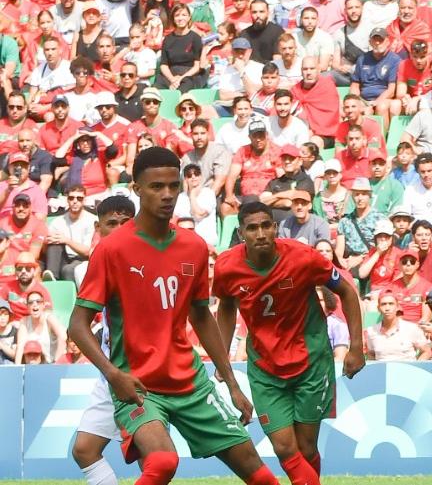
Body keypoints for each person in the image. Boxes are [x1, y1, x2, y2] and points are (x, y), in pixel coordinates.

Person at [66, 147, 278, 485]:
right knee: (162, 462)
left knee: (262, 476)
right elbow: (77, 325)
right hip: (138, 384)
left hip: (191, 382)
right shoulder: (112, 249)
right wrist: (112, 375)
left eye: (172, 186)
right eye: (155, 187)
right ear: (136, 189)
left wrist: (232, 384)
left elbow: (201, 316)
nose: (166, 195)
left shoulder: (193, 246)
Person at [213, 201, 368, 485]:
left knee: (306, 447)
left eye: (265, 226)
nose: (260, 234)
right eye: (252, 228)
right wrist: (221, 356)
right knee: (284, 447)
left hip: (311, 364)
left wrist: (356, 346)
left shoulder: (303, 257)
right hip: (265, 368)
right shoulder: (227, 266)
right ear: (241, 233)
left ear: (274, 228)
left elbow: (346, 290)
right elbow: (226, 307)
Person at [67, 195, 135, 485]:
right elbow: (80, 323)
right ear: (98, 227)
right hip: (111, 370)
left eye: (125, 222)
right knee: (84, 450)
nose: (119, 229)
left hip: (144, 369)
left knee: (152, 455)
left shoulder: (148, 259)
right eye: (111, 223)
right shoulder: (90, 266)